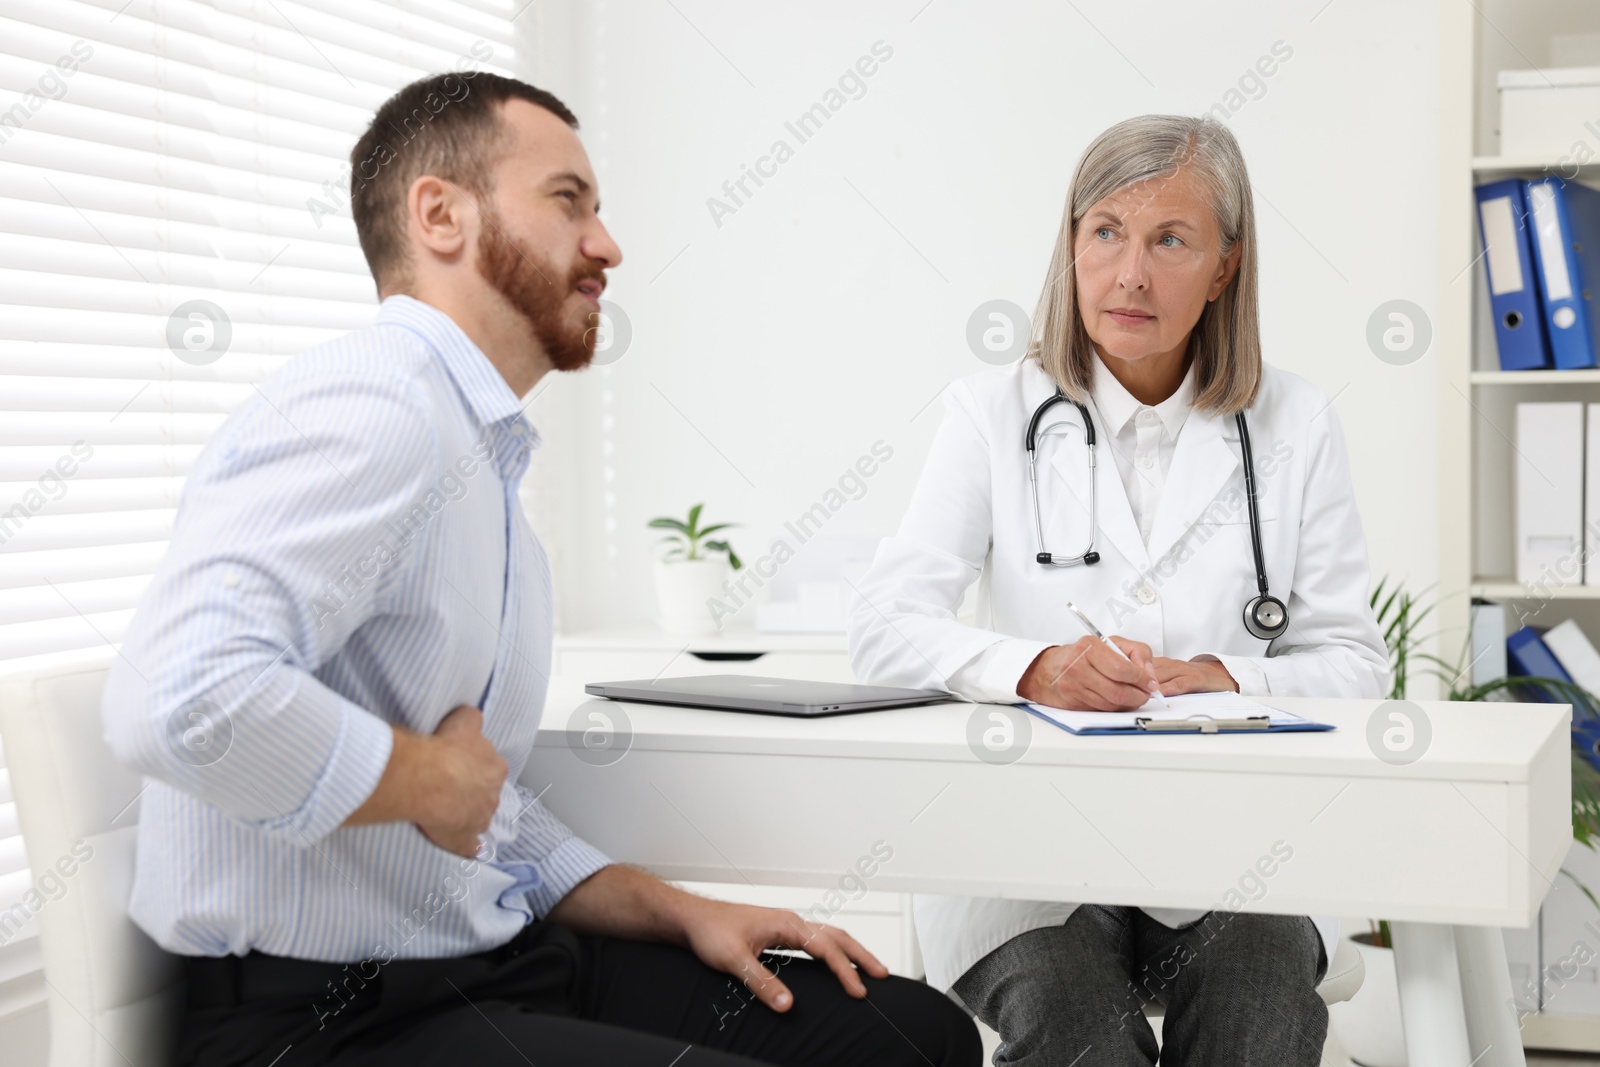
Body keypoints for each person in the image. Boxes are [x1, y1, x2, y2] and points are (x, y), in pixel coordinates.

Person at [101, 72, 979, 1067]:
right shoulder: (371, 405)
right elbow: (177, 696)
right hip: (320, 1019)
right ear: (440, 213)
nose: (606, 243)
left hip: (492, 955)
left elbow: (488, 809)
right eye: (569, 201)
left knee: (914, 1037)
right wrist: (425, 777)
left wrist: (681, 909)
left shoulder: (479, 457)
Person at [847, 114, 1389, 1065]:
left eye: (1170, 240)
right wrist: (1035, 667)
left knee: (1261, 998)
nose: (1130, 273)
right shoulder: (989, 414)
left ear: (1225, 265)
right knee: (1073, 1019)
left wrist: (1230, 677)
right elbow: (886, 628)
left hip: (1236, 852)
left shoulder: (1295, 423)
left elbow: (1355, 662)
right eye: (1106, 233)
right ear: (1072, 245)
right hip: (1030, 852)